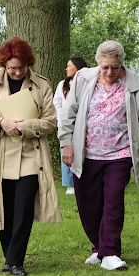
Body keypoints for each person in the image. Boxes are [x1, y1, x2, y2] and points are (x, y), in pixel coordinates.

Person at [0, 37, 62, 276]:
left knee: (23, 210)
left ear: (28, 64)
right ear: (3, 65)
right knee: (5, 209)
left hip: (31, 157)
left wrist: (25, 127)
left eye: (20, 67)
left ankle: (15, 261)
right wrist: (2, 123)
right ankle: (9, 260)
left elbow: (51, 121)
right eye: (11, 68)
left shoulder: (41, 85)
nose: (16, 72)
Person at [59, 40, 139, 271]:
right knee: (88, 204)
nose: (110, 72)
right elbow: (68, 114)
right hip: (86, 153)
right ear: (98, 63)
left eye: (115, 67)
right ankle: (98, 247)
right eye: (105, 67)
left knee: (113, 202)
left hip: (119, 154)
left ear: (122, 64)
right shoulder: (82, 79)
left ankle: (110, 252)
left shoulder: (136, 84)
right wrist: (66, 145)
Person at [53, 57, 88, 195]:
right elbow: (57, 103)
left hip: (83, 124)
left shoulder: (87, 84)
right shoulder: (62, 84)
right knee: (66, 150)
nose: (67, 69)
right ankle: (69, 183)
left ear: (78, 68)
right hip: (66, 123)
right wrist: (61, 120)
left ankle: (83, 180)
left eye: (69, 66)